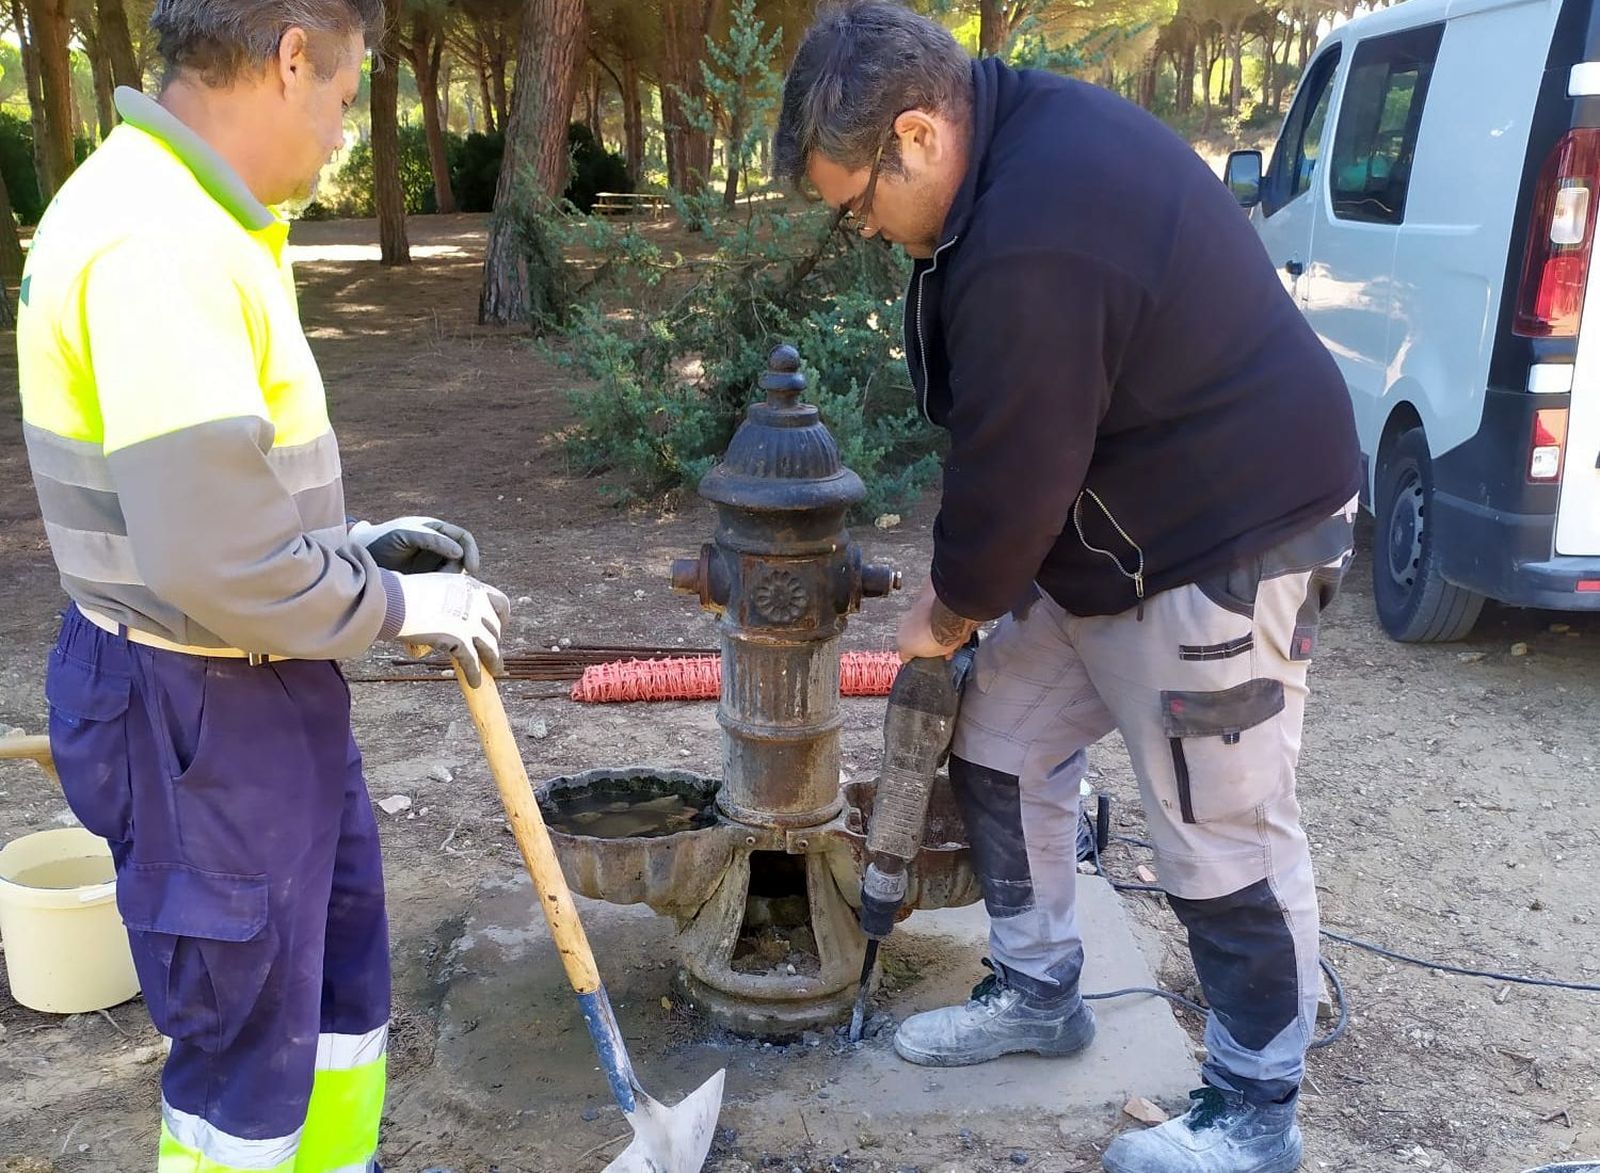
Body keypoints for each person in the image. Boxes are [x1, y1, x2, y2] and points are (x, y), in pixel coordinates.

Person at [774, 5, 1361, 1172]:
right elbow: (1019, 444)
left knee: (1220, 830)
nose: (865, 233)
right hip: (1112, 537)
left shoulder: (1039, 231)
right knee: (995, 741)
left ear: (915, 135)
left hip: (1225, 542)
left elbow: (1016, 466)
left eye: (855, 208)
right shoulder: (1002, 142)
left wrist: (944, 616)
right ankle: (1038, 993)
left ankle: (1254, 1112)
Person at [16, 3, 509, 1170]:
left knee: (329, 1001)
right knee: (244, 1053)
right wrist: (393, 606)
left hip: (251, 683)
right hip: (197, 711)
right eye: (345, 96)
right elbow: (214, 563)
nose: (344, 128)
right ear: (292, 56)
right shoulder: (159, 240)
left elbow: (216, 504)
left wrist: (352, 548)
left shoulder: (195, 216)